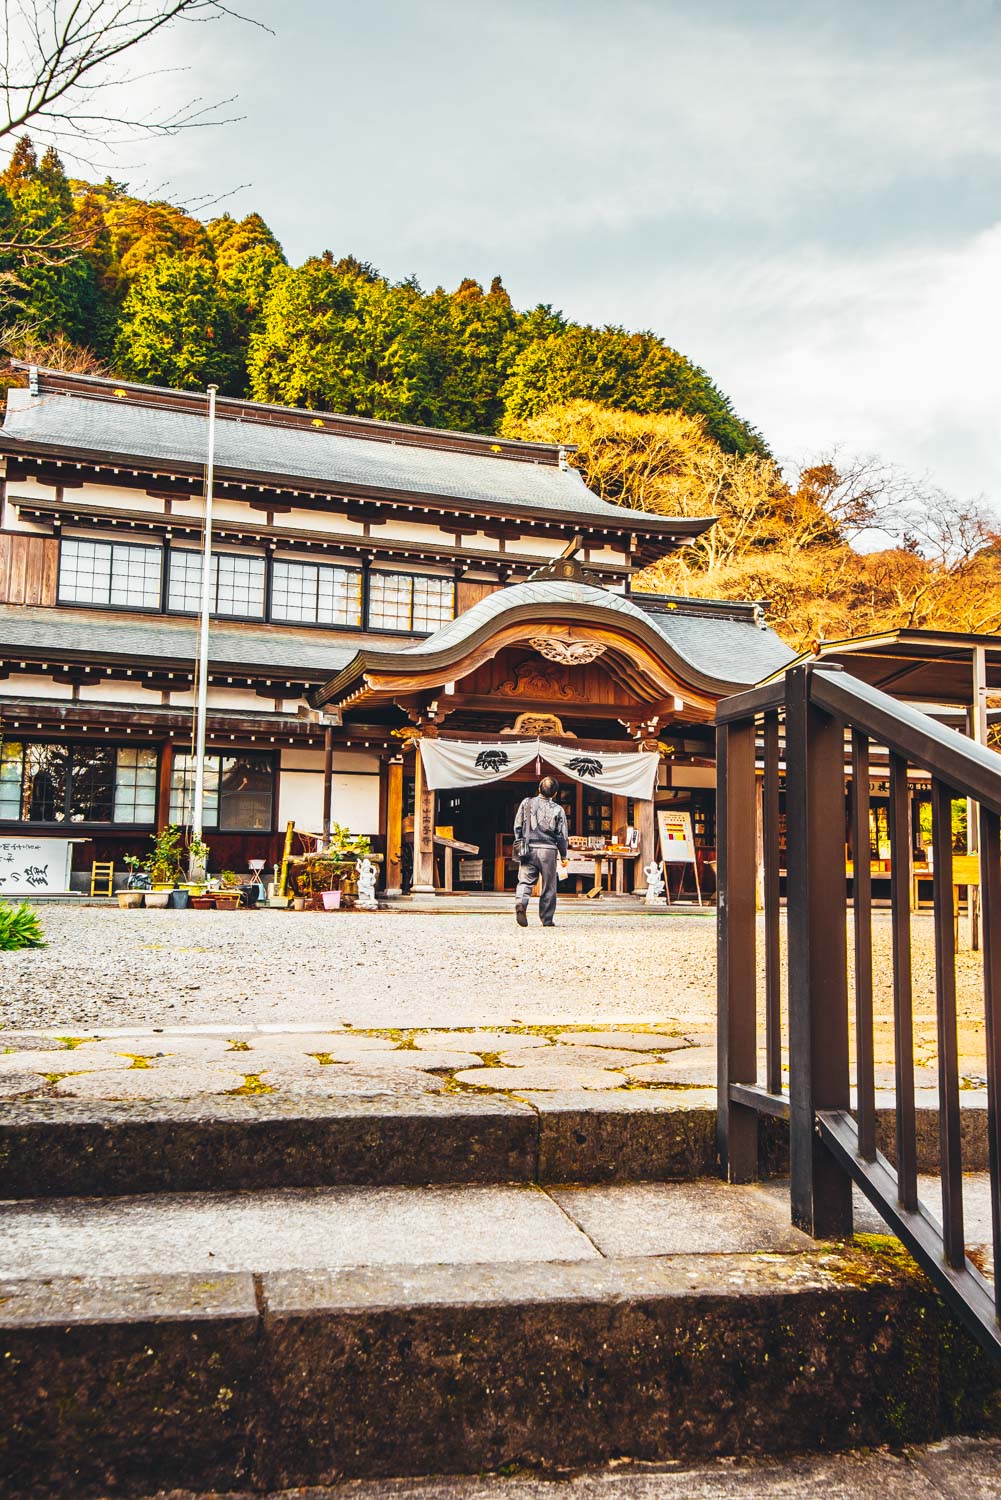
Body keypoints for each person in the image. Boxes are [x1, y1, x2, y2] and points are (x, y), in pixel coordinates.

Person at [513, 775, 569, 928]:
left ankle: (521, 903)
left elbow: (517, 826)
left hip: (528, 848)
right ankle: (547, 919)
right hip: (548, 851)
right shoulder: (558, 810)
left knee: (525, 880)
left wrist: (520, 841)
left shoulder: (526, 803)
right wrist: (564, 855)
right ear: (555, 793)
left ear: (538, 789)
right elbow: (562, 835)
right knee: (549, 886)